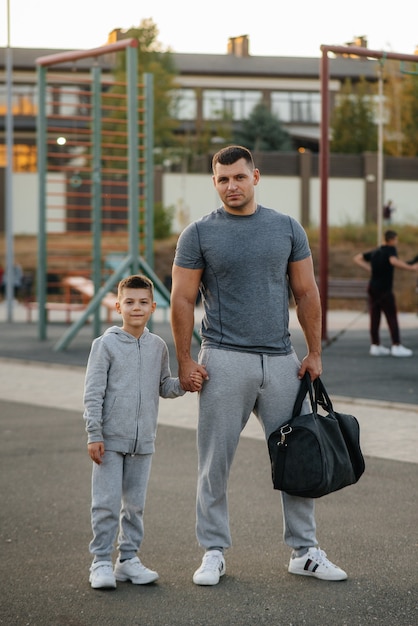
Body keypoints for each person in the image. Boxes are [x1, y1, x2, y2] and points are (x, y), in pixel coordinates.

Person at [170, 145, 347, 586]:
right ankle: (213, 551)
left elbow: (307, 293)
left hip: (281, 361)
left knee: (299, 456)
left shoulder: (286, 228)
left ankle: (304, 551)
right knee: (215, 462)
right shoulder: (198, 234)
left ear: (256, 177)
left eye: (239, 177)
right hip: (224, 359)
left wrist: (314, 352)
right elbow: (182, 298)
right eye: (223, 179)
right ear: (214, 183)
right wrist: (186, 358)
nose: (231, 185)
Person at [83, 274, 202, 589]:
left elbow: (164, 386)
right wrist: (94, 434)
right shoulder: (104, 345)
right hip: (108, 441)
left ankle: (128, 560)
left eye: (143, 302)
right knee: (106, 504)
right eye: (130, 302)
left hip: (143, 442)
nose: (137, 308)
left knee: (134, 506)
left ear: (152, 307)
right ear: (119, 306)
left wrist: (186, 384)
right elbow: (93, 394)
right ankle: (100, 563)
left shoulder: (158, 346)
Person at [353, 230, 418, 357]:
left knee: (374, 317)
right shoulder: (390, 250)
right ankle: (396, 345)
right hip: (384, 289)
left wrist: (369, 269)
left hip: (372, 288)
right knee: (391, 316)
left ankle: (375, 345)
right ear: (392, 240)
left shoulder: (376, 251)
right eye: (396, 240)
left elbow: (357, 258)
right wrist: (411, 268)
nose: (397, 242)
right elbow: (394, 261)